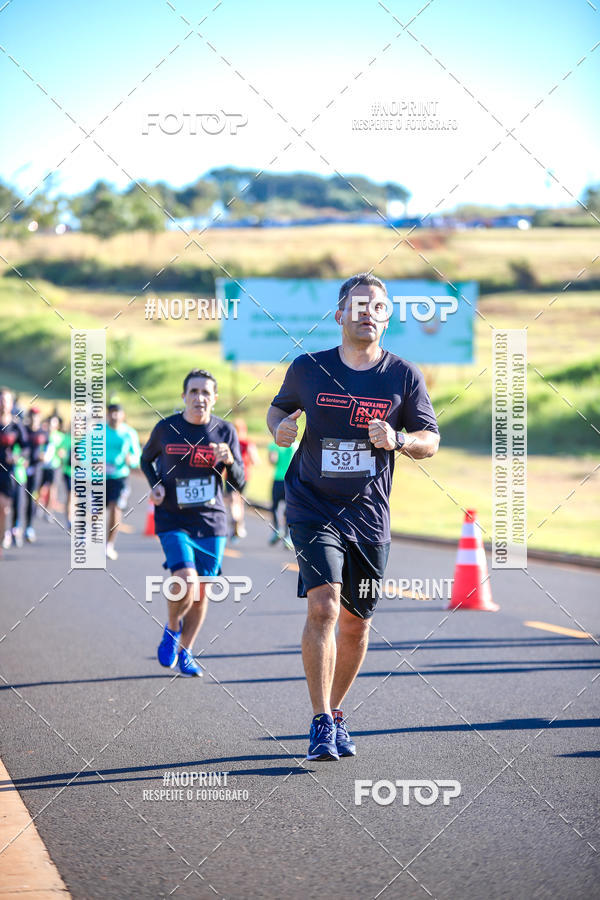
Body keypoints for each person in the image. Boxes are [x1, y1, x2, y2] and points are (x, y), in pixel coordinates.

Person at [267, 273, 440, 761]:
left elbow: (430, 439)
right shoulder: (308, 368)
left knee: (357, 622)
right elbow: (278, 410)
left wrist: (400, 441)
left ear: (387, 317)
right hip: (311, 503)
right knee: (323, 606)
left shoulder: (403, 376)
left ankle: (337, 711)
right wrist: (280, 426)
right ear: (339, 314)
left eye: (378, 306)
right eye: (358, 305)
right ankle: (321, 720)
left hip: (368, 514)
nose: (368, 312)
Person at [141, 369, 245, 677]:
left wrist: (229, 461)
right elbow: (146, 460)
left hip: (211, 521)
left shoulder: (225, 432)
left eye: (205, 392)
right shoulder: (166, 428)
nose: (199, 397)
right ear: (184, 396)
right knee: (184, 580)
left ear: (214, 399)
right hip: (173, 516)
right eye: (194, 391)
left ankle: (186, 651)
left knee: (201, 593)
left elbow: (239, 483)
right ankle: (172, 628)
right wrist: (154, 484)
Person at [104, 403, 141, 560]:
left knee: (115, 508)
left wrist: (131, 460)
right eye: (111, 413)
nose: (114, 416)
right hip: (99, 476)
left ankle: (109, 545)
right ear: (107, 415)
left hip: (120, 476)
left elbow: (137, 456)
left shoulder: (129, 433)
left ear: (123, 415)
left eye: (117, 413)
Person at [0, 388, 28, 557]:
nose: (3, 403)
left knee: (4, 508)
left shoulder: (16, 425)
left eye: (6, 400)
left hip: (8, 472)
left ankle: (5, 535)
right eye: (1, 400)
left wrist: (18, 456)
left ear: (11, 404)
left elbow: (26, 448)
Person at [225, 418, 259, 543]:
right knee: (240, 501)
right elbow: (255, 460)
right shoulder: (247, 443)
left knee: (233, 501)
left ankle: (235, 521)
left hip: (230, 475)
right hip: (244, 476)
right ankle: (240, 524)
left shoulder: (229, 443)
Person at [267, 438, 298, 548]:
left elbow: (272, 461)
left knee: (274, 506)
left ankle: (277, 530)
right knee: (289, 508)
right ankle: (288, 536)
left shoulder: (274, 445)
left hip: (278, 479)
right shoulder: (296, 444)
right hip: (291, 480)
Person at [22, 407, 47, 543]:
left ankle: (29, 527)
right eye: (32, 416)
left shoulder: (43, 432)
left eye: (36, 416)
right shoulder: (23, 430)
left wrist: (46, 456)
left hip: (36, 468)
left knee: (31, 498)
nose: (34, 418)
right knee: (19, 499)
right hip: (22, 468)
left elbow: (49, 446)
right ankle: (16, 525)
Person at [38, 413, 64, 520]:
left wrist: (62, 453)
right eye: (50, 422)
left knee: (52, 489)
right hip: (42, 465)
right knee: (41, 488)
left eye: (54, 423)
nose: (51, 425)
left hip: (54, 466)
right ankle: (39, 506)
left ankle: (49, 511)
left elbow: (64, 450)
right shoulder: (42, 434)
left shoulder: (60, 437)